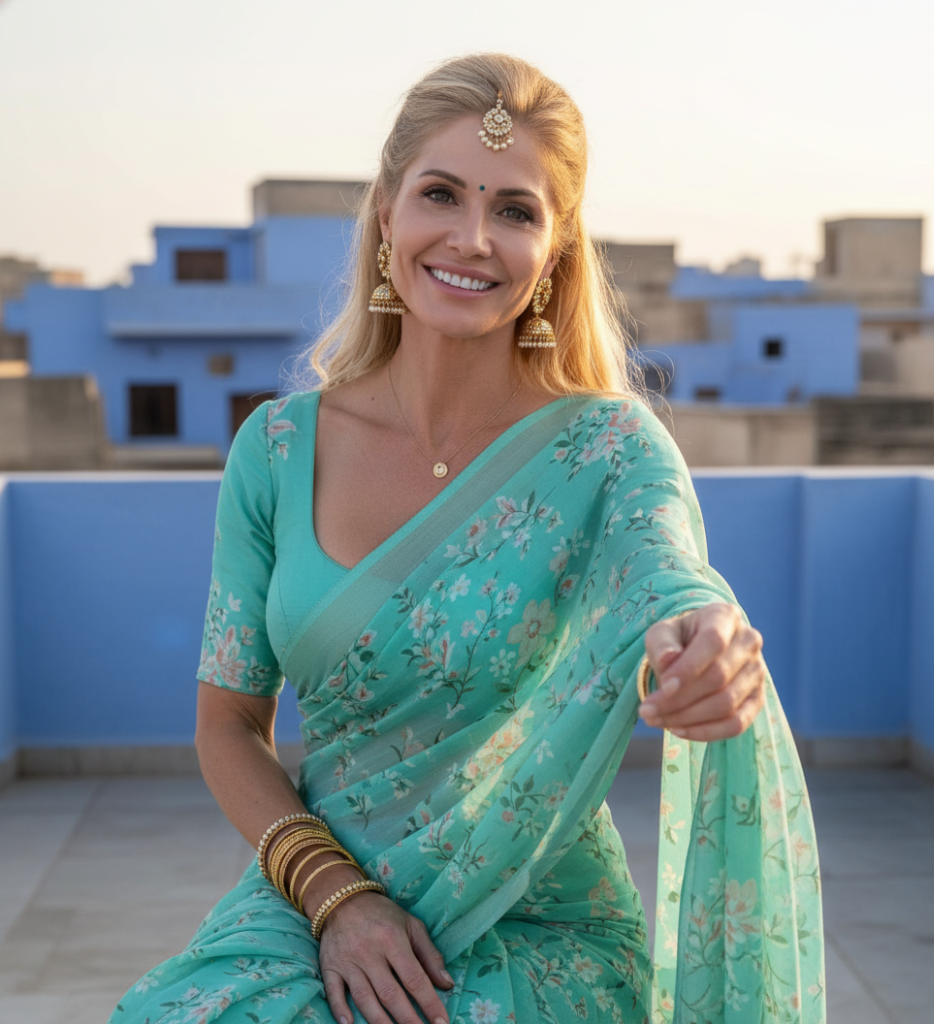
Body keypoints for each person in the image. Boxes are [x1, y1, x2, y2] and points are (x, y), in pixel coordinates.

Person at [109, 54, 823, 1024]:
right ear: (385, 216)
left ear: (556, 252)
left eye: (517, 211)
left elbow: (669, 572)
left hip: (537, 910)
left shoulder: (607, 451)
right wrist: (338, 899)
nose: (472, 238)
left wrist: (706, 639)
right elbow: (228, 722)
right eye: (439, 193)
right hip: (319, 893)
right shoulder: (276, 451)